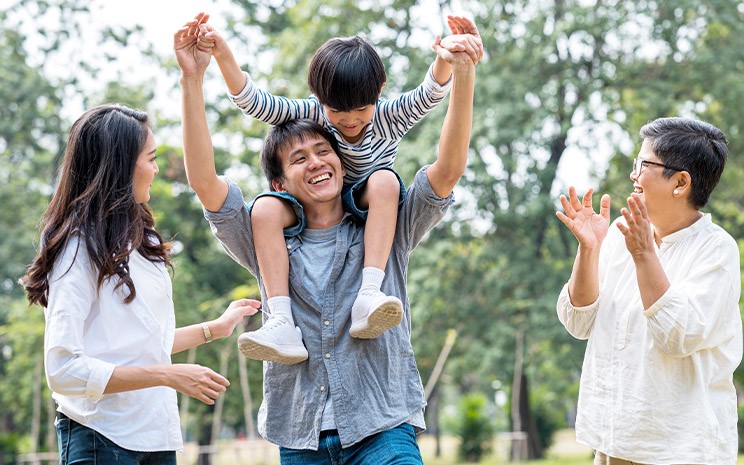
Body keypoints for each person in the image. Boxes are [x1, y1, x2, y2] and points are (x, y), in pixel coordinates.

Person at [175, 12, 478, 463]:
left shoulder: (386, 225)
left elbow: (448, 169)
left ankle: (368, 297)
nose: (317, 161)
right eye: (299, 158)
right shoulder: (268, 236)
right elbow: (205, 181)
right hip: (300, 434)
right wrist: (193, 79)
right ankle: (279, 324)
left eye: (323, 150)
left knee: (389, 182)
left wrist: (464, 73)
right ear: (279, 182)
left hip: (382, 424)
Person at [20, 100, 261, 464]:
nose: (156, 168)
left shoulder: (139, 241)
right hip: (101, 437)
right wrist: (168, 375)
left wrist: (214, 329)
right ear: (120, 166)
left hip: (155, 435)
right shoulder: (77, 248)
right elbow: (63, 369)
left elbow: (139, 347)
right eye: (150, 158)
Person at [555, 117, 743, 465]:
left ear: (681, 182)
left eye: (644, 165)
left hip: (679, 450)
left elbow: (678, 335)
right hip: (615, 443)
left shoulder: (717, 251)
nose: (633, 175)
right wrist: (589, 250)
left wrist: (643, 253)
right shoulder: (618, 235)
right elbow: (578, 322)